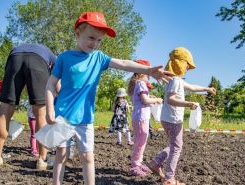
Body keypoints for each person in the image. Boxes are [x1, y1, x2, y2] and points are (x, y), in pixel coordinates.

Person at [45, 12, 173, 185]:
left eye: (99, 40)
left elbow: (123, 63)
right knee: (61, 155)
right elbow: (50, 84)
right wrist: (50, 109)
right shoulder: (64, 58)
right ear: (77, 33)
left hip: (85, 119)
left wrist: (148, 70)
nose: (95, 43)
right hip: (62, 116)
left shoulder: (99, 58)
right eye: (91, 37)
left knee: (88, 157)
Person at [147, 47, 216, 185]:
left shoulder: (174, 80)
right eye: (187, 65)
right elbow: (171, 99)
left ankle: (155, 163)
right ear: (180, 64)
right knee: (177, 148)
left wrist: (206, 89)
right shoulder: (175, 81)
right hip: (173, 120)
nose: (188, 69)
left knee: (175, 145)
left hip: (167, 119)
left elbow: (192, 87)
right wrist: (188, 104)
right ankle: (169, 178)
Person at [0, 43, 56, 171]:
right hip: (38, 62)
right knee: (40, 113)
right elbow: (56, 80)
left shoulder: (17, 49)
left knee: (5, 110)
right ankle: (42, 160)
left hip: (14, 59)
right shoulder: (53, 56)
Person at [127, 59, 163, 176]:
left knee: (141, 141)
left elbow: (141, 99)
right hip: (141, 117)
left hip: (139, 116)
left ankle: (138, 163)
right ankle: (135, 166)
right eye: (148, 74)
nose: (149, 77)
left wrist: (150, 96)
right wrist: (157, 99)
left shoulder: (136, 83)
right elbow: (145, 100)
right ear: (142, 72)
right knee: (140, 143)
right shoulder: (141, 83)